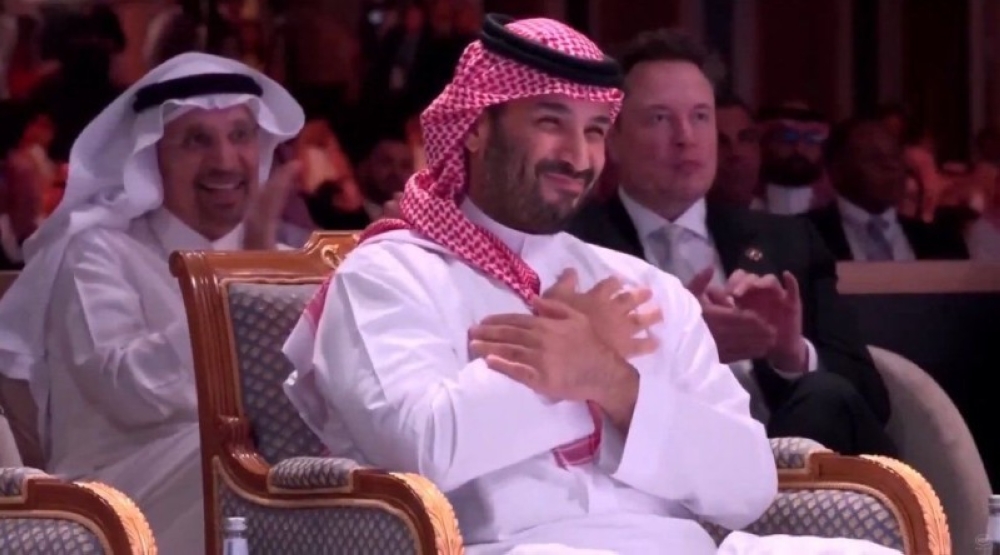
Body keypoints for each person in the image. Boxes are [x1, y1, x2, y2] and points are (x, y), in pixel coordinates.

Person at [282, 15, 901, 555]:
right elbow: (421, 451)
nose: (577, 156)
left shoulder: (639, 285)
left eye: (596, 131)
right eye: (551, 122)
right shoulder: (389, 274)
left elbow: (747, 484)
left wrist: (613, 382)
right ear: (475, 126)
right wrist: (557, 367)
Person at [0, 52, 304, 554]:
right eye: (196, 141)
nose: (225, 161)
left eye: (240, 135)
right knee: (265, 451)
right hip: (115, 497)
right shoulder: (95, 253)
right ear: (151, 157)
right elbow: (131, 391)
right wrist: (243, 286)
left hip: (239, 470)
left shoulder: (283, 261)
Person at [568, 29, 894, 457]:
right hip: (652, 468)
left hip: (796, 466)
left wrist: (789, 353)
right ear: (612, 138)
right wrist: (682, 350)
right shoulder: (572, 248)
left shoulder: (788, 241)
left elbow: (869, 401)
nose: (686, 137)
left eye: (701, 117)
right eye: (660, 119)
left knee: (825, 395)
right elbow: (563, 403)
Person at [805, 117, 969, 261]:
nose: (891, 166)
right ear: (836, 170)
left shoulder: (943, 240)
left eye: (895, 157)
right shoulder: (802, 236)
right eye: (874, 158)